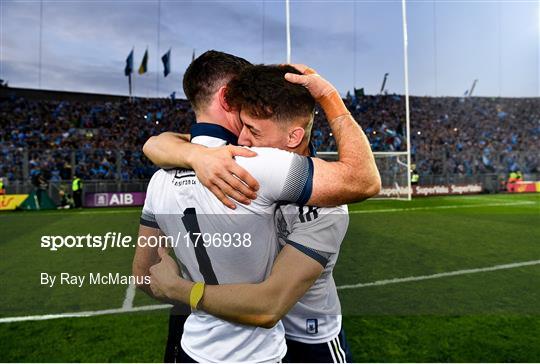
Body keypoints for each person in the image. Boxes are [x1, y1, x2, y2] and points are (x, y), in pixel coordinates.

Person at [133, 51, 380, 362]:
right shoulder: (238, 162)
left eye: (254, 127)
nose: (244, 139)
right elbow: (175, 141)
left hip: (307, 336)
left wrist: (182, 290)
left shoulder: (322, 199)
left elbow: (364, 180)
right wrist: (193, 155)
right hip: (254, 337)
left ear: (293, 136)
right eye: (243, 120)